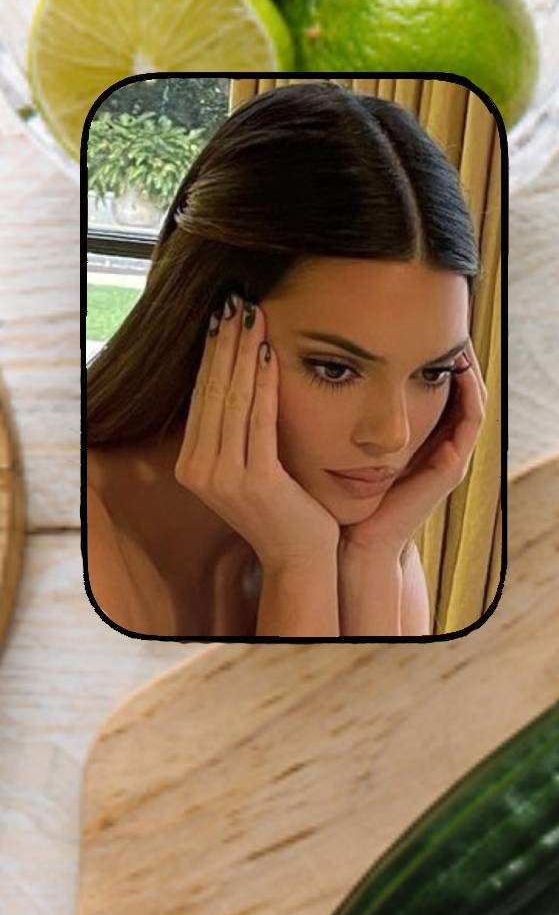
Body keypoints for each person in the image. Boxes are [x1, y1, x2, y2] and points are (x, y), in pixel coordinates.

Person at [85, 83, 489, 640]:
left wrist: (362, 562)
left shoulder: (373, 537)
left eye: (432, 373)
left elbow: (371, 727)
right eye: (335, 369)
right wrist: (302, 566)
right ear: (210, 325)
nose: (392, 437)